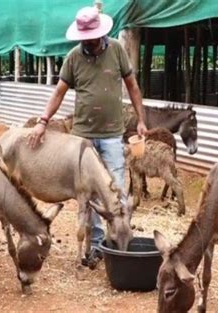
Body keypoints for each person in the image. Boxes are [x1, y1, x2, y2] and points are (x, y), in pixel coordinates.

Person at [27, 6, 147, 266]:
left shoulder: (116, 50)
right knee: (90, 194)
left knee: (114, 185)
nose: (86, 40)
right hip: (82, 139)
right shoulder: (73, 57)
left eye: (90, 36)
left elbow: (133, 87)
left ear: (100, 33)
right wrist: (43, 121)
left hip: (113, 134)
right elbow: (58, 92)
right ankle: (97, 244)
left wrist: (141, 120)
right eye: (83, 36)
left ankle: (121, 234)